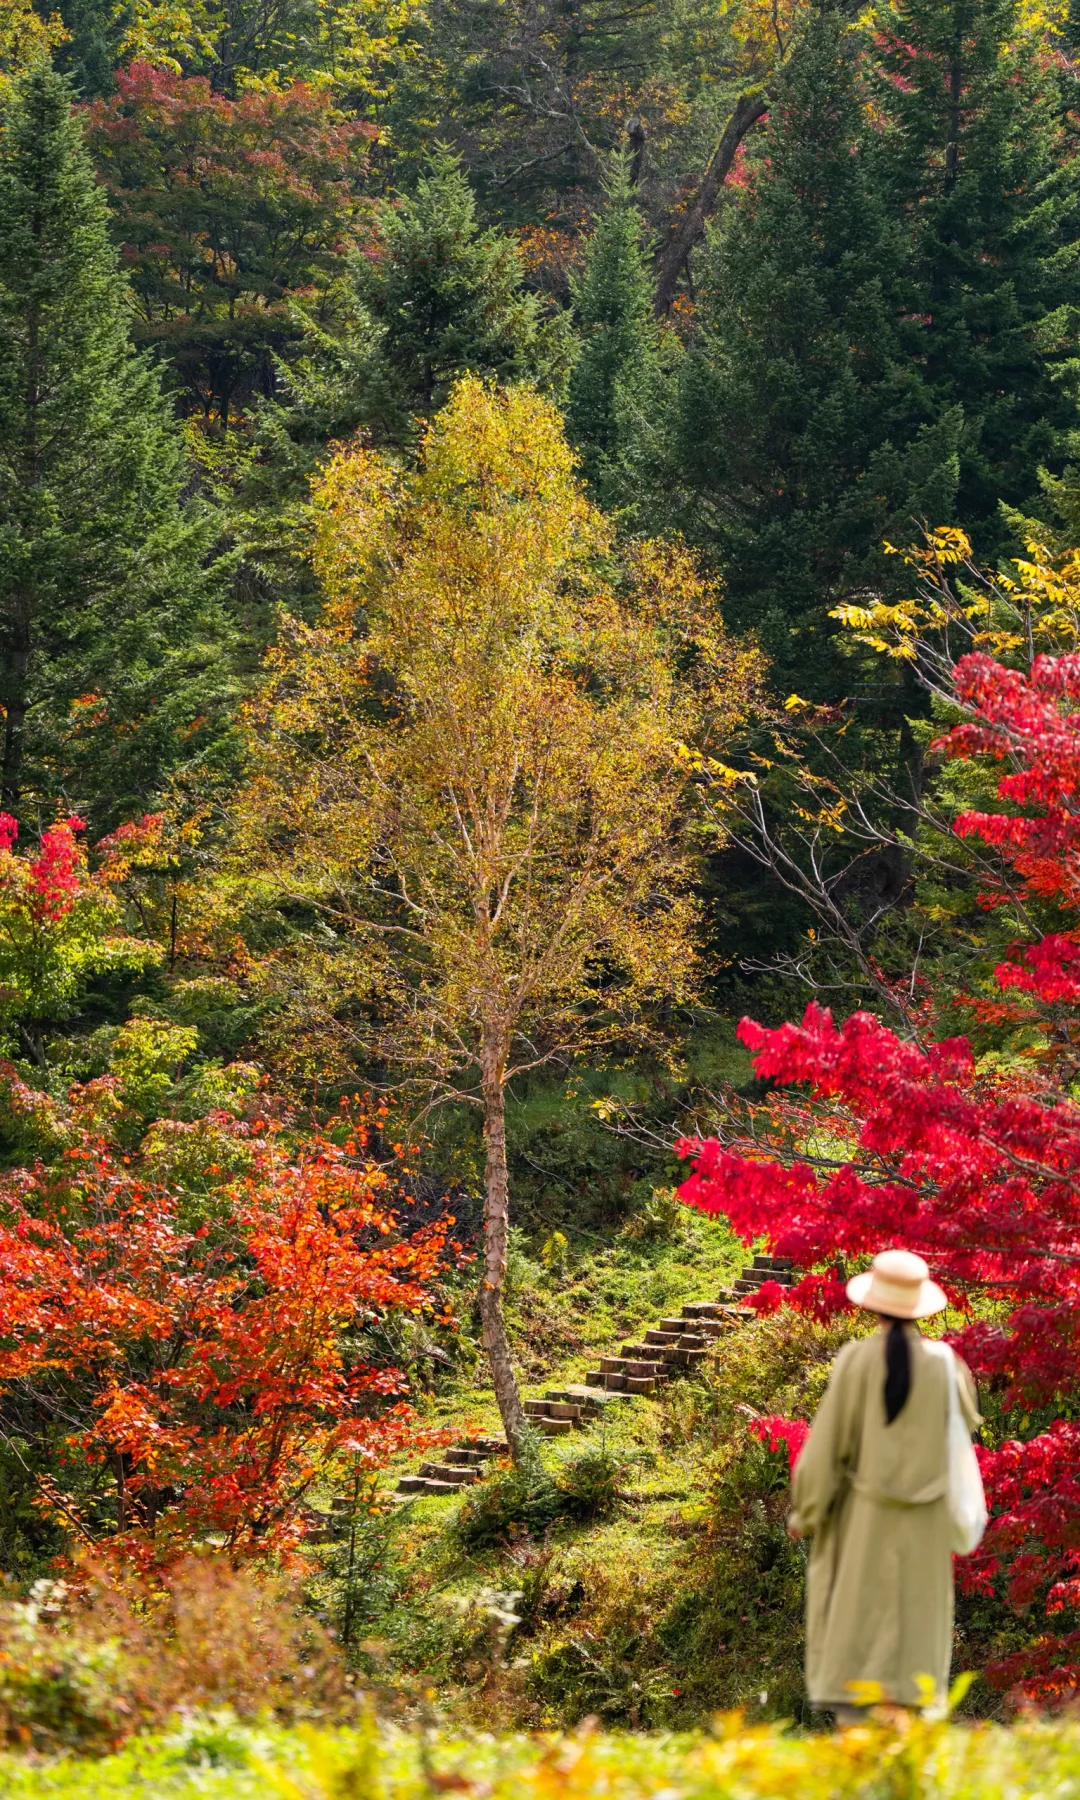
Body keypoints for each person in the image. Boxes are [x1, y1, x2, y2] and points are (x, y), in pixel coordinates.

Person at [788, 1248, 981, 1724]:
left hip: (862, 1530)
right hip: (926, 1532)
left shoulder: (856, 1361)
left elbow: (825, 1452)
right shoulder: (946, 1365)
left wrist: (806, 1513)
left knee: (860, 1666)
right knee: (914, 1667)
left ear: (872, 1305)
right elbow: (962, 1441)